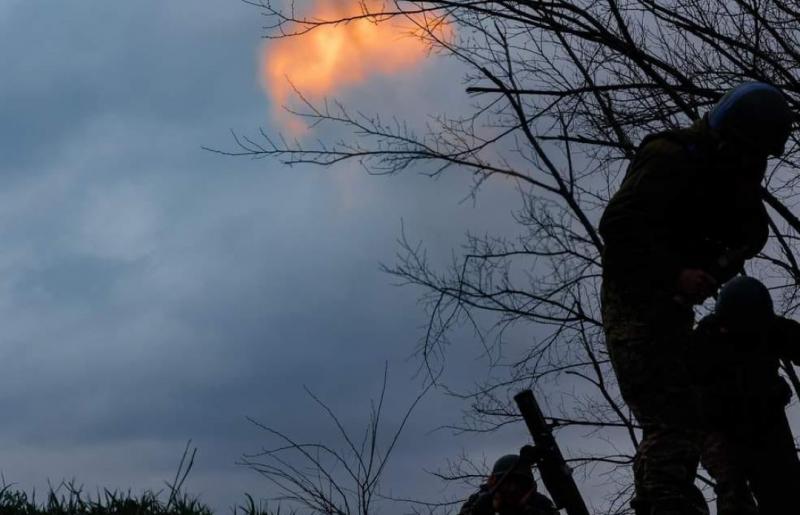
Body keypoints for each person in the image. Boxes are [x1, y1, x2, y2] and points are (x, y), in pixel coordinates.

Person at [599, 81, 794, 515]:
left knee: (679, 414)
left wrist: (714, 262)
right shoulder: (670, 156)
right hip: (635, 304)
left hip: (673, 308)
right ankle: (665, 503)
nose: (757, 161)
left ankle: (664, 498)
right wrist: (676, 272)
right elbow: (618, 227)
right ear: (737, 135)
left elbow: (753, 230)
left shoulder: (730, 167)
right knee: (673, 417)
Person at [690, 276, 800, 515]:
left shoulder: (768, 327)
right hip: (721, 428)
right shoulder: (706, 341)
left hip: (766, 421)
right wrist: (769, 394)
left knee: (788, 492)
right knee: (735, 493)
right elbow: (704, 403)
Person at [458, 454, 558, 515]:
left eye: (518, 483)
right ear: (495, 483)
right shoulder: (479, 500)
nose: (512, 489)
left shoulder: (539, 502)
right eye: (507, 483)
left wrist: (526, 511)